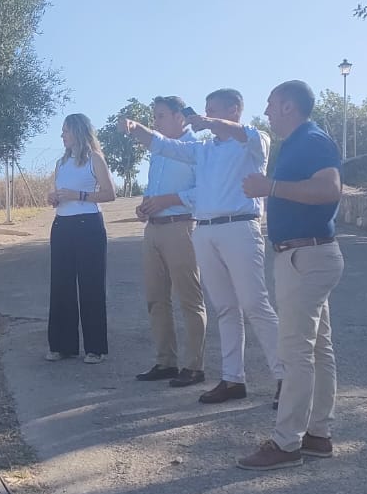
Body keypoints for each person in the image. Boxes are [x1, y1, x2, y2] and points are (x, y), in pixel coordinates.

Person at [125, 88, 282, 404]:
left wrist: (208, 121)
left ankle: (286, 377)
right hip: (206, 231)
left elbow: (242, 133)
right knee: (226, 308)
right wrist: (138, 130)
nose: (206, 116)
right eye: (206, 110)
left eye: (214, 109)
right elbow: (165, 146)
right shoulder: (204, 150)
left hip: (240, 227)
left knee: (255, 305)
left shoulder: (254, 142)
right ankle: (233, 379)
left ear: (235, 109)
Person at [235, 80, 345, 470]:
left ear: (288, 107)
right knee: (317, 348)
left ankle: (286, 443)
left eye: (270, 104)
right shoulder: (301, 142)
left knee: (295, 351)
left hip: (305, 256)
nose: (266, 112)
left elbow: (330, 189)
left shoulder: (311, 140)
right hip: (309, 254)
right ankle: (318, 435)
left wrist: (271, 187)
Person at [131, 96, 207, 388]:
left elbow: (205, 191)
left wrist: (169, 200)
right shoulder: (159, 150)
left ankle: (194, 366)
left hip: (182, 227)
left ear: (180, 117)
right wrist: (145, 205)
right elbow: (154, 188)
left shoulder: (197, 149)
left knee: (189, 298)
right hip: (154, 229)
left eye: (161, 116)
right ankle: (166, 361)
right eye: (155, 116)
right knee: (156, 299)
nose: (156, 122)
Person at [46, 112, 117, 363]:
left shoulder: (94, 159)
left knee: (91, 285)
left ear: (77, 131)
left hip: (89, 225)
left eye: (66, 130)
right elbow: (57, 192)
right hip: (62, 225)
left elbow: (110, 194)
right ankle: (62, 345)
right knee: (61, 285)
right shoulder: (60, 162)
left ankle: (95, 348)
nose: (62, 135)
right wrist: (53, 197)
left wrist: (79, 195)